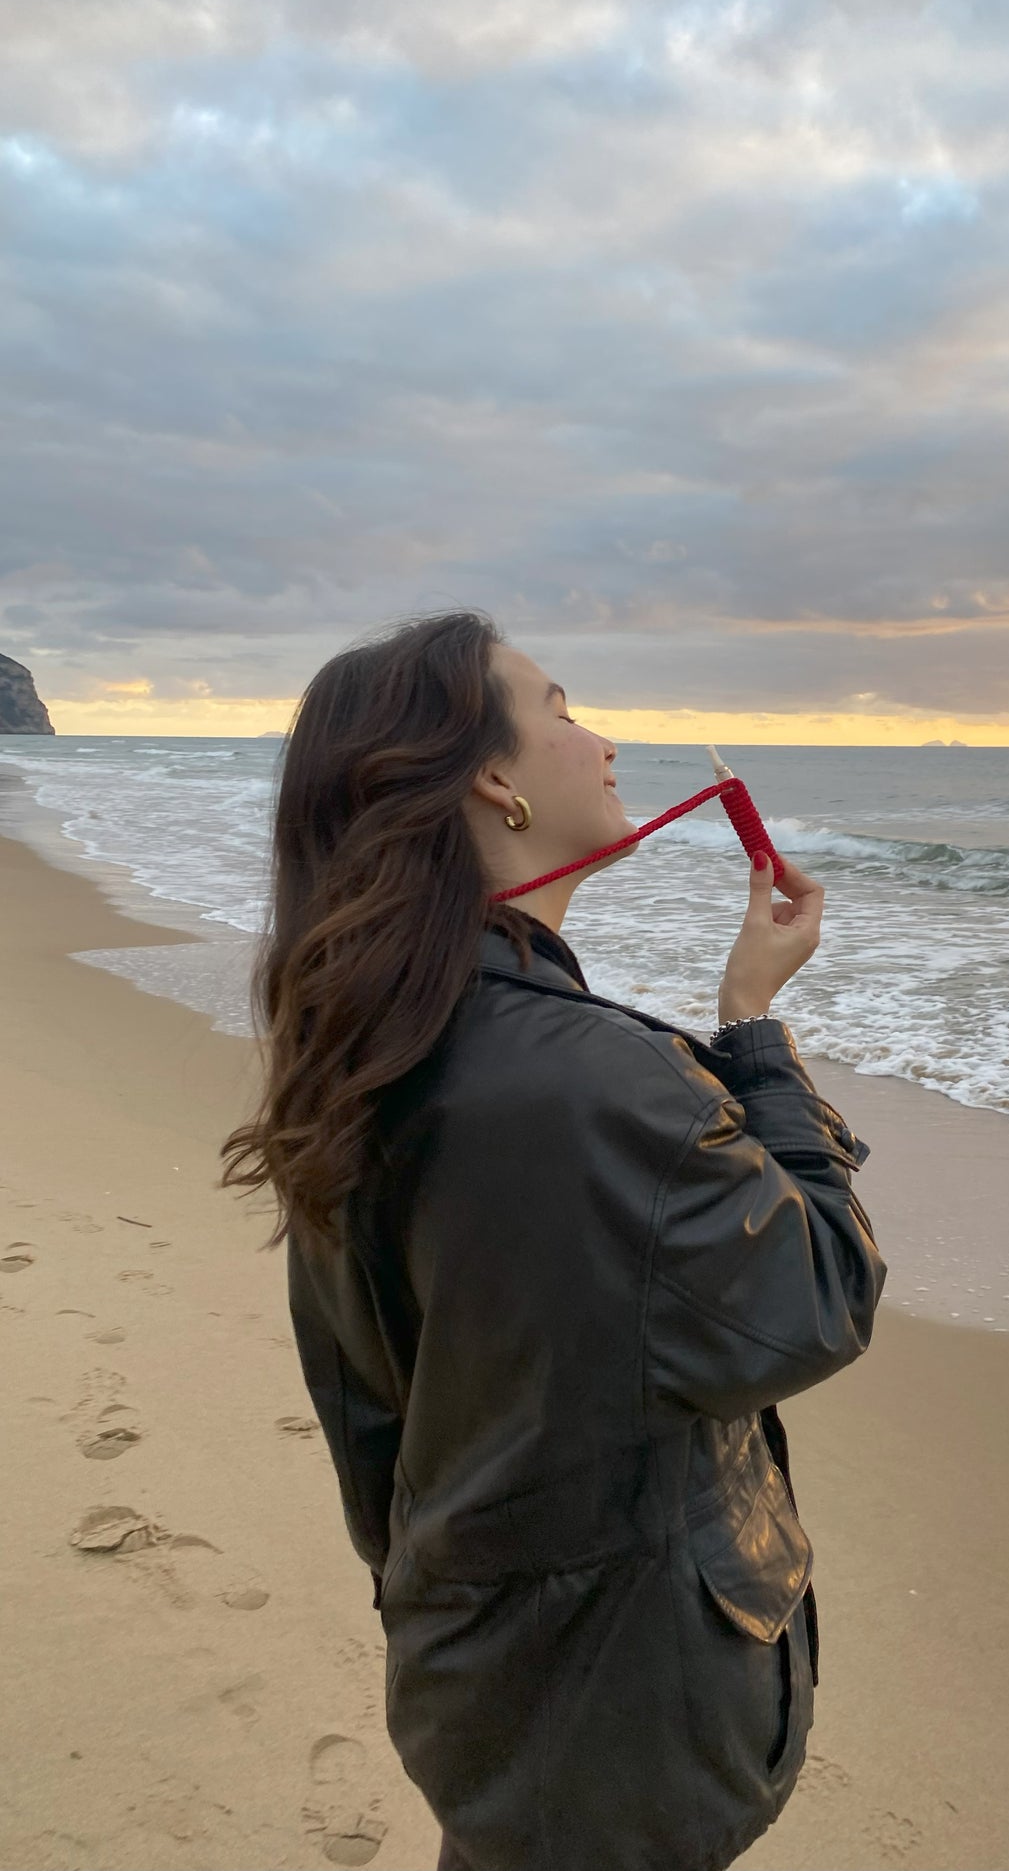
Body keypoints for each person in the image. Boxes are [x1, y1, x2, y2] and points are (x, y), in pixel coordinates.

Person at [219, 608, 887, 1871]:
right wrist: (754, 1043)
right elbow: (820, 1291)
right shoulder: (586, 1083)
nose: (604, 737)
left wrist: (735, 1004)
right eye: (564, 709)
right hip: (611, 1716)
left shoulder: (369, 1035)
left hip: (474, 1663)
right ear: (491, 775)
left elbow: (372, 1392)